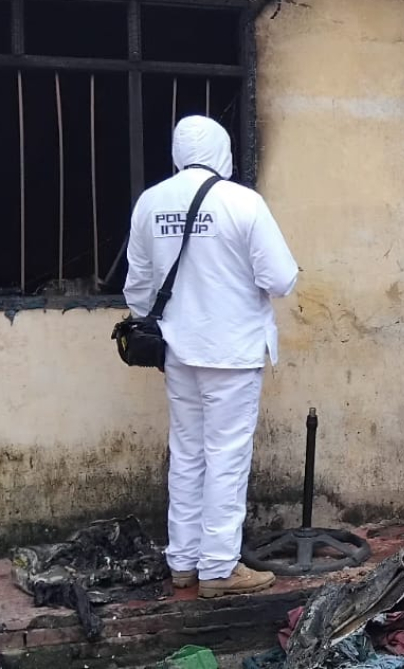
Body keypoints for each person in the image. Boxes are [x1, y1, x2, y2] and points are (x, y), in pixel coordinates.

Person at [124, 116, 298, 599]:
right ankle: (219, 566)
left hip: (176, 350)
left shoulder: (151, 202)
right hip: (232, 349)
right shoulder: (243, 202)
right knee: (226, 456)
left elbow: (137, 286)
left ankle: (182, 561)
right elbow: (281, 279)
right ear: (223, 150)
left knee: (187, 453)